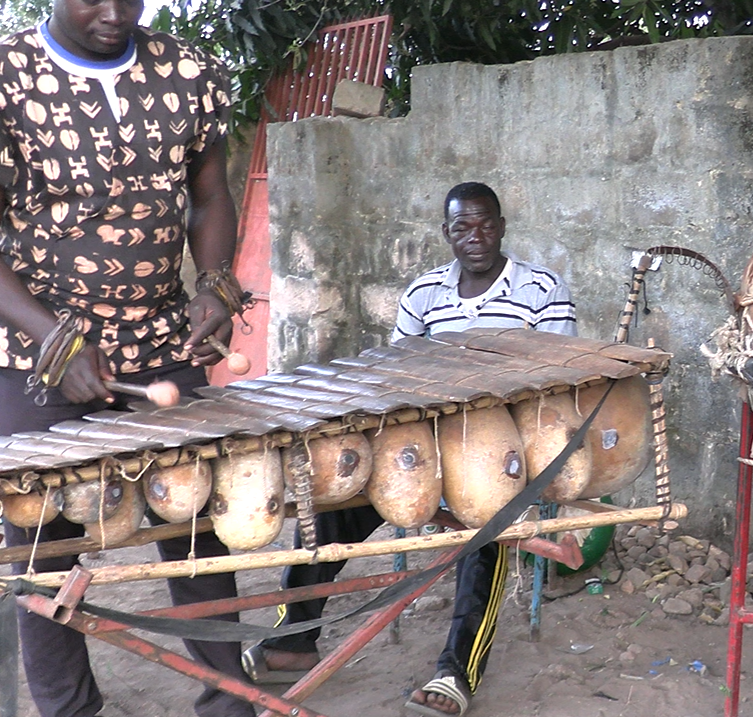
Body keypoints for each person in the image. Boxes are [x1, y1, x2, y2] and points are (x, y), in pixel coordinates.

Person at [0, 0, 251, 717]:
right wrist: (53, 336)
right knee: (42, 540)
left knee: (192, 517)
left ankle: (228, 696)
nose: (116, 17)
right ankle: (69, 707)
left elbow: (209, 195)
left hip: (162, 333)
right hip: (36, 346)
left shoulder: (190, 74)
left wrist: (215, 283)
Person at [244, 181, 576, 717]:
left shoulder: (541, 289)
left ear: (503, 227)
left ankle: (456, 673)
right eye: (463, 227)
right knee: (332, 508)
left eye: (487, 224)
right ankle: (292, 642)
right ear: (446, 234)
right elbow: (401, 382)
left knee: (486, 527)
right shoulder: (423, 295)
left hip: (507, 450)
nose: (477, 237)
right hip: (430, 445)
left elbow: (560, 388)